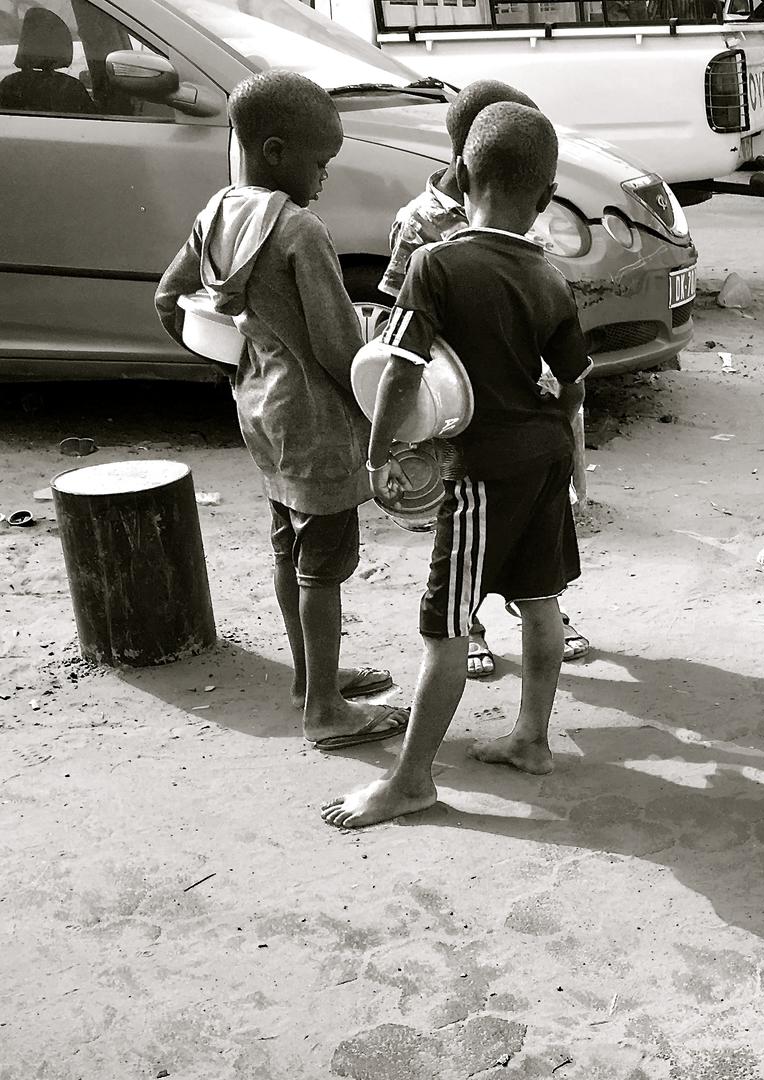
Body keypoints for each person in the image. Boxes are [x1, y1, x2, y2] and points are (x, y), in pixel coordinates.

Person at [322, 102, 590, 829]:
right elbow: (573, 384)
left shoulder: (435, 264)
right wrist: (565, 445)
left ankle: (411, 781)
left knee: (445, 627)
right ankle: (530, 739)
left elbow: (400, 368)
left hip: (482, 474)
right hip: (543, 458)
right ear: (546, 195)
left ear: (462, 174)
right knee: (539, 600)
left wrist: (379, 454)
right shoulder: (550, 277)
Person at [156, 71, 406, 750]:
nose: (324, 177)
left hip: (261, 410)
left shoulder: (218, 212)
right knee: (322, 565)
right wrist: (383, 417)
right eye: (320, 162)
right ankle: (325, 710)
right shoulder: (299, 230)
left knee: (287, 548)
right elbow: (337, 348)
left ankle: (308, 678)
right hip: (317, 424)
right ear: (274, 150)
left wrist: (237, 360)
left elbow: (168, 301)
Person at [379, 78, 592, 681]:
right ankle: (471, 622)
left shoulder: (518, 221)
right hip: (453, 409)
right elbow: (399, 336)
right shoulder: (421, 227)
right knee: (461, 541)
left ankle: (533, 603)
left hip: (517, 400)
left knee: (523, 541)